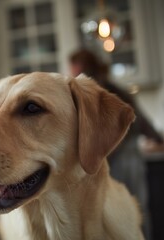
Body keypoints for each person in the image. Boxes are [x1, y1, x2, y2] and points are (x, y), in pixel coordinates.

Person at [69, 48, 163, 239]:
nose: (70, 70)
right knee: (134, 209)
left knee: (128, 210)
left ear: (81, 66)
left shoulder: (95, 92)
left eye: (72, 65)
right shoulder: (108, 88)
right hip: (121, 157)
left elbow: (138, 120)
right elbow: (143, 122)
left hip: (121, 158)